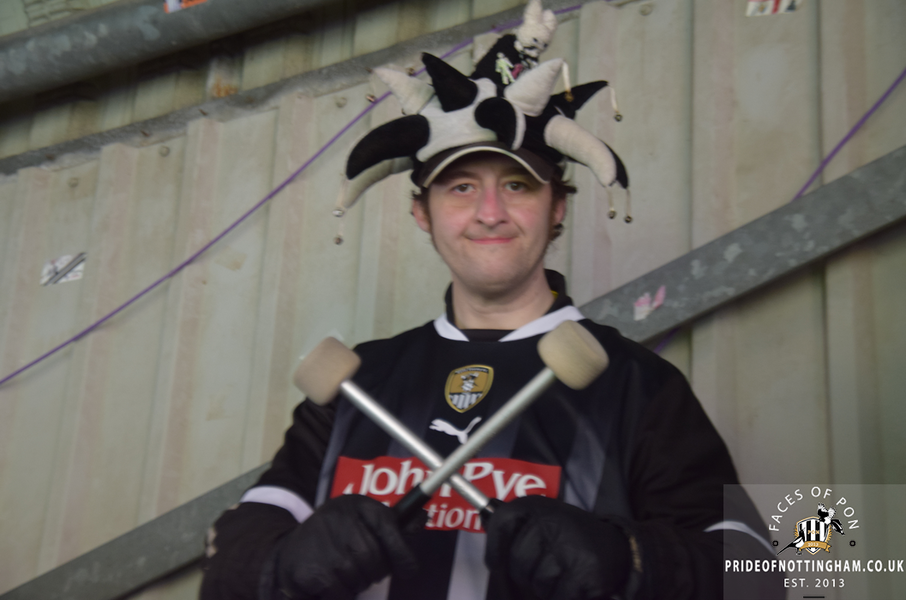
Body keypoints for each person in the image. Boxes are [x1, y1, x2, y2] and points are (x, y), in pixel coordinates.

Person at [200, 42, 781, 600]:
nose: (489, 213)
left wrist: (628, 557)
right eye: (460, 187)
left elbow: (770, 572)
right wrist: (282, 567)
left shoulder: (639, 384)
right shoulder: (356, 381)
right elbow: (228, 564)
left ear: (557, 206)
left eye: (517, 185)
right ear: (421, 212)